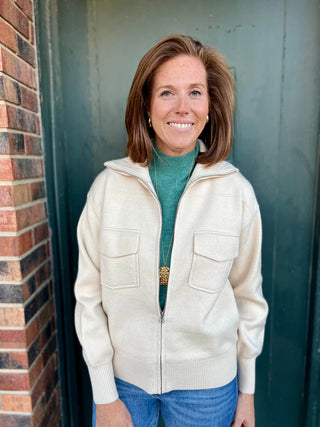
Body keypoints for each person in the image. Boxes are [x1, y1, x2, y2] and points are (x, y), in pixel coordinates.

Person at [74, 34, 268, 427]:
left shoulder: (238, 195)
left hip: (209, 390)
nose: (183, 107)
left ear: (211, 108)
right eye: (166, 93)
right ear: (146, 107)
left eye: (195, 92)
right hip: (122, 384)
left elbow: (249, 299)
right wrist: (103, 394)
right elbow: (88, 299)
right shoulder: (107, 190)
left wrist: (246, 394)